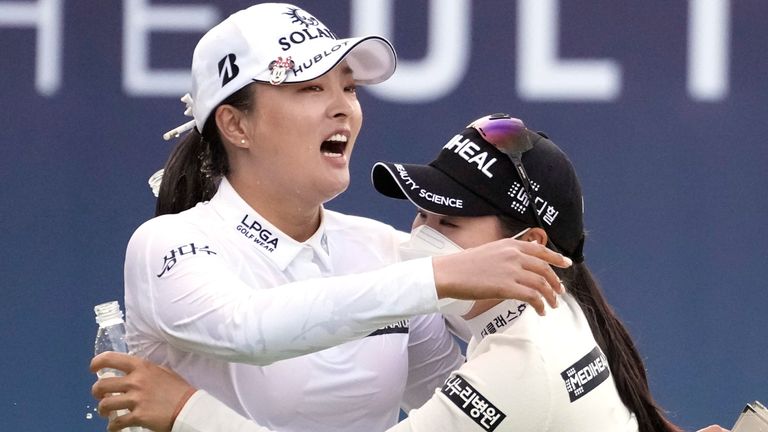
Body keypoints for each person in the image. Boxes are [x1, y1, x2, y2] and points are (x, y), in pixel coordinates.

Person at [95, 113, 729, 432]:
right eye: (420, 214)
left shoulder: (518, 365)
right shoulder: (556, 318)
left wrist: (186, 412)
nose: (418, 240)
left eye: (448, 226)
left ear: (531, 245)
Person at [123, 3, 571, 432]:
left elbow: (454, 402)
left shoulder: (383, 250)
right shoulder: (166, 242)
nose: (343, 107)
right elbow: (248, 330)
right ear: (237, 126)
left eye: (349, 87)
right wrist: (436, 277)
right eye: (311, 88)